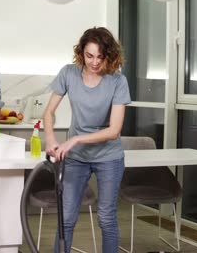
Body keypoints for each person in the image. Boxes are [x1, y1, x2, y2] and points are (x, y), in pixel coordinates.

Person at [43, 27, 131, 252]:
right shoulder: (69, 74)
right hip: (76, 159)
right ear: (81, 52)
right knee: (67, 219)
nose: (94, 62)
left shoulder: (118, 81)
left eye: (100, 57)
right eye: (89, 55)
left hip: (108, 157)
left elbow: (114, 130)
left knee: (106, 218)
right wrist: (51, 138)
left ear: (109, 55)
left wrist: (75, 140)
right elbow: (49, 112)